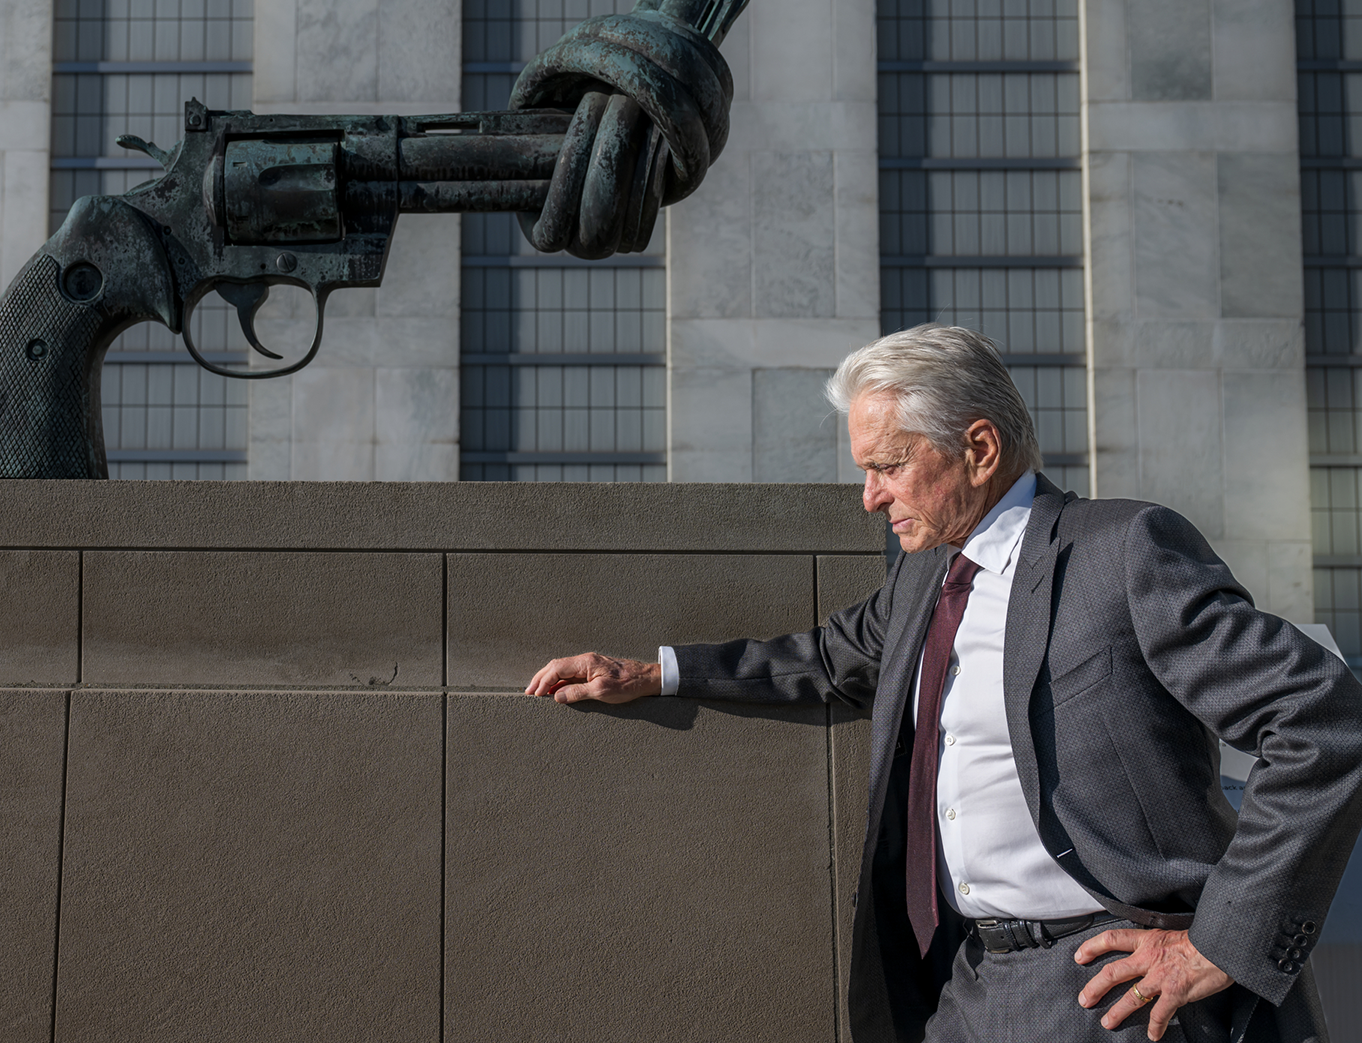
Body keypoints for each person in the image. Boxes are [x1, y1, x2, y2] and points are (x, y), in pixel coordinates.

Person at [525, 324, 1362, 1043]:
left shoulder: (1123, 552)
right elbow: (826, 658)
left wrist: (1219, 942)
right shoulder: (925, 581)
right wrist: (654, 672)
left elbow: (1320, 718)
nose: (868, 497)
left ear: (979, 448)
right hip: (965, 989)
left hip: (1113, 989)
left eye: (887, 466)